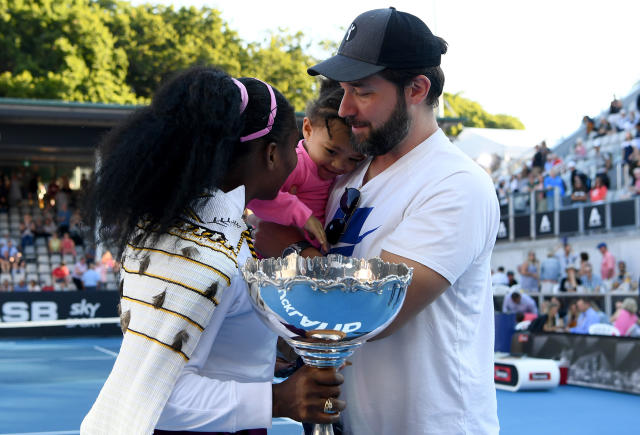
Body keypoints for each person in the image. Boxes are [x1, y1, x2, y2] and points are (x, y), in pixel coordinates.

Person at [258, 8, 500, 433]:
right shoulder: (344, 171)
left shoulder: (456, 184)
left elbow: (376, 310)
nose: (346, 108)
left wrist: (276, 313)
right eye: (344, 90)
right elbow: (270, 232)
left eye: (363, 92)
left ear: (416, 89)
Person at [81, 67, 345, 434]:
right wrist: (280, 400)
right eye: (290, 147)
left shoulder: (197, 228)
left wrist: (283, 353)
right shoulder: (206, 250)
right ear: (271, 154)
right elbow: (158, 398)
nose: (295, 159)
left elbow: (218, 346)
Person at [248, 79, 365, 252]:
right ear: (308, 129)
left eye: (354, 159)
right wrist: (301, 214)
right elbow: (255, 195)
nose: (340, 165)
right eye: (331, 151)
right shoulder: (295, 164)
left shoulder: (336, 175)